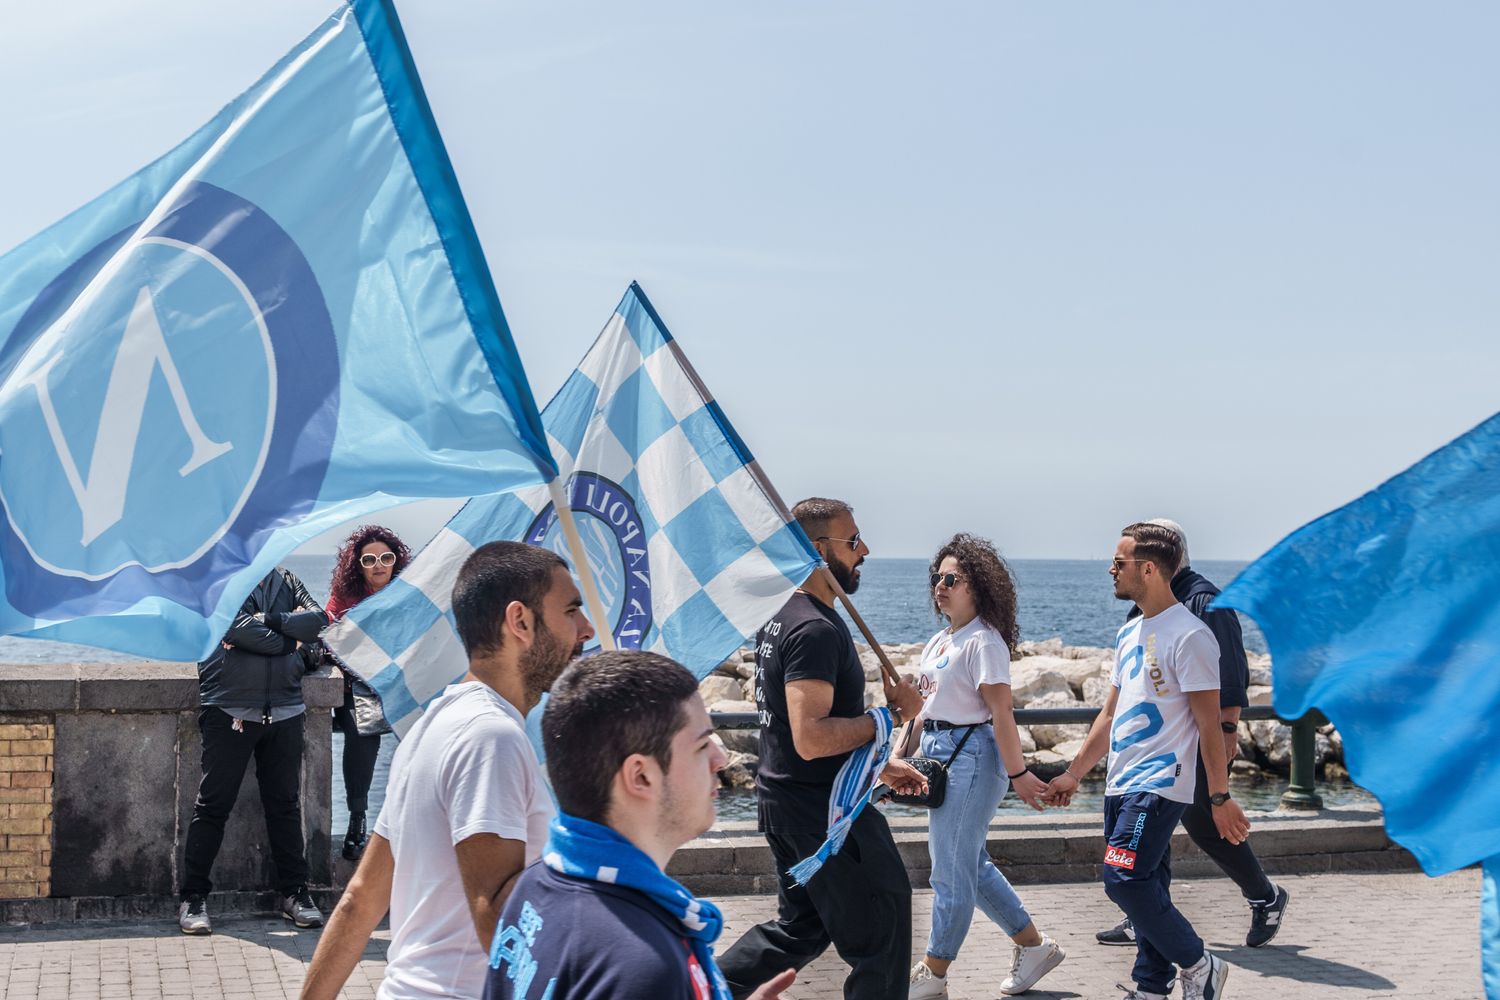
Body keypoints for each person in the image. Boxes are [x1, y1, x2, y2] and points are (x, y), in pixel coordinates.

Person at [299, 542, 594, 1000]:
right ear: (520, 621)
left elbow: (361, 901)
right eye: (572, 610)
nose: (587, 629)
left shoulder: (432, 726)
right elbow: (499, 925)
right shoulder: (490, 737)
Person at [483, 650, 796, 1000]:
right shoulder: (645, 967)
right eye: (702, 744)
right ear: (641, 776)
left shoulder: (537, 883)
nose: (719, 759)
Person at [718, 497, 927, 1000]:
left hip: (791, 804)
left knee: (801, 930)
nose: (865, 549)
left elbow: (803, 737)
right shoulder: (813, 627)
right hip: (824, 814)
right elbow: (810, 737)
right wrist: (893, 715)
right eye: (852, 541)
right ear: (816, 550)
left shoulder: (784, 615)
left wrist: (877, 764)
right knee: (884, 928)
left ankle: (691, 986)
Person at [1043, 523, 1251, 1000]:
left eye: (1120, 563)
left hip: (1158, 785)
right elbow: (1110, 713)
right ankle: (1151, 987)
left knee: (1123, 879)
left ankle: (1200, 965)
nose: (1111, 570)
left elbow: (1209, 725)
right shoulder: (1130, 631)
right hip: (1121, 782)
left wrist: (1219, 796)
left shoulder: (1192, 636)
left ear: (1150, 569)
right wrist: (1074, 773)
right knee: (1149, 883)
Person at [1095, 519, 1290, 951]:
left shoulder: (1204, 601)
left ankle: (1265, 896)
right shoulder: (1150, 606)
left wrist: (1227, 730)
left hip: (1199, 739)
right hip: (1156, 749)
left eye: (1123, 559)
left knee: (1204, 821)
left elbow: (1230, 673)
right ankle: (1144, 914)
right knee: (1162, 829)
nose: (1115, 568)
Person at [904, 534, 1065, 999]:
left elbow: (1001, 713)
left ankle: (934, 972)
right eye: (937, 577)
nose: (941, 585)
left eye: (951, 578)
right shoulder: (941, 639)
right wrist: (896, 760)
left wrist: (1018, 776)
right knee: (969, 864)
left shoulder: (985, 641)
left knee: (948, 871)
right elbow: (922, 711)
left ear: (979, 585)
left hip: (972, 758)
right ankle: (1033, 948)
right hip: (938, 755)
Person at [178, 566, 330, 935]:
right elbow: (234, 628)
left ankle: (295, 893)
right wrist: (290, 641)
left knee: (285, 805)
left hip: (285, 708)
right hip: (229, 707)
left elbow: (318, 622)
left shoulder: (289, 579)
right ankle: (193, 897)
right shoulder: (218, 580)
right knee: (213, 805)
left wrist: (269, 623)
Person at [325, 524, 412, 862]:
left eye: (386, 558)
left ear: (396, 561)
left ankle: (417, 823)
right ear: (358, 564)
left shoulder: (407, 592)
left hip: (399, 680)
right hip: (357, 682)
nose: (379, 565)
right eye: (370, 559)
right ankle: (358, 822)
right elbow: (331, 633)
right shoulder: (346, 593)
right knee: (362, 736)